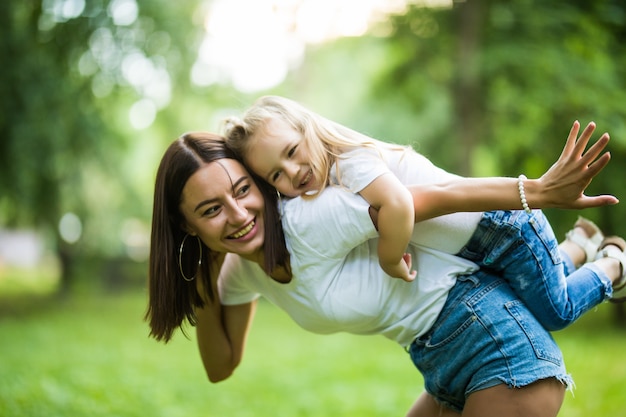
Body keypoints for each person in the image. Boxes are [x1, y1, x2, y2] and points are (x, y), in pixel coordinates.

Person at [146, 128, 625, 416]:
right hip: (440, 361)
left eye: (243, 189)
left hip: (496, 347)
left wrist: (538, 192)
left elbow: (432, 198)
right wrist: (204, 270)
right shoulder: (239, 271)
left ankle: (609, 263)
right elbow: (220, 366)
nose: (238, 214)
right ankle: (577, 252)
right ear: (184, 227)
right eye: (211, 210)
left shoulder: (311, 218)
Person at [223, 96, 626, 327]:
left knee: (554, 312)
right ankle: (578, 244)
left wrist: (389, 258)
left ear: (308, 130)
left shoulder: (349, 163)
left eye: (292, 152)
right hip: (472, 249)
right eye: (276, 174)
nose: (293, 172)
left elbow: (398, 205)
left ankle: (613, 263)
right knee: (534, 298)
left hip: (501, 230)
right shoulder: (324, 183)